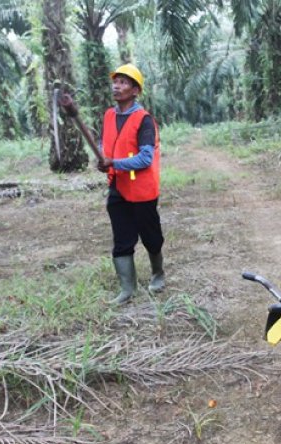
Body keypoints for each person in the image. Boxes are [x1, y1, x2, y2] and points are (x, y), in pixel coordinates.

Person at [98, 63, 165, 304]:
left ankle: (158, 273)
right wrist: (101, 158)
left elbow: (146, 158)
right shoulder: (108, 115)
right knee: (122, 238)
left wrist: (112, 162)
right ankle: (128, 288)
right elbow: (103, 143)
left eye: (124, 82)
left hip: (142, 190)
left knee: (151, 236)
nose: (117, 86)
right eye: (115, 81)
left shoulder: (144, 120)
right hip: (118, 187)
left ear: (135, 90)